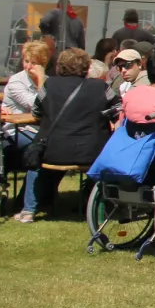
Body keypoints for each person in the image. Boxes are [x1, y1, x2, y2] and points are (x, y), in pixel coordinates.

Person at [11, 49, 118, 223]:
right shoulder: (101, 87)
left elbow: (37, 111)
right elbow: (117, 109)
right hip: (92, 152)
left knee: (35, 162)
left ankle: (28, 210)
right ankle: (96, 205)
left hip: (54, 150)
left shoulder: (49, 85)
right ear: (86, 67)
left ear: (60, 66)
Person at [3, 41, 50, 217]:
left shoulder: (48, 80)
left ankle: (42, 200)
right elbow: (38, 106)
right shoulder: (16, 82)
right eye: (26, 61)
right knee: (37, 151)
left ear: (43, 63)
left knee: (59, 150)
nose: (29, 66)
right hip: (16, 131)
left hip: (37, 131)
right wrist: (41, 82)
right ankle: (28, 207)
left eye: (34, 62)